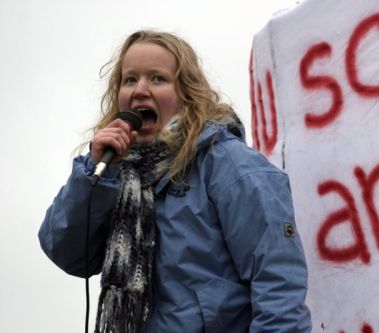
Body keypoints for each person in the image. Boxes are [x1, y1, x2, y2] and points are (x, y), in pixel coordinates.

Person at [39, 30, 311, 333]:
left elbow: (279, 288)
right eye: (130, 80)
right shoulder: (113, 172)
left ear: (187, 94)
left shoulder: (229, 166)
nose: (140, 89)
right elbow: (66, 252)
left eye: (157, 79)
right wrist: (96, 172)